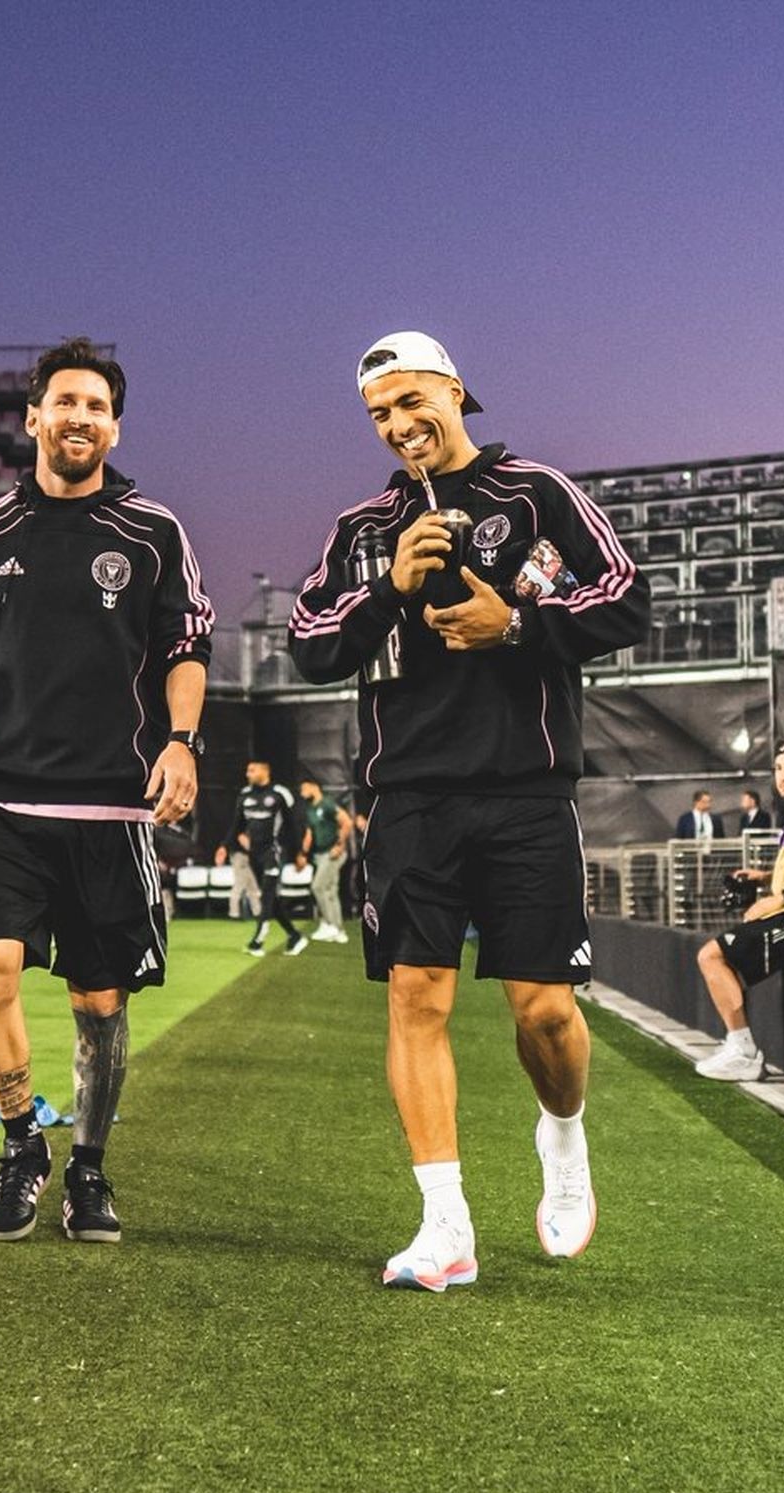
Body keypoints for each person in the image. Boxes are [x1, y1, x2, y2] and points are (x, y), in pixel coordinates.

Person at [288, 330, 649, 1291]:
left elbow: (627, 600)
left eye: (413, 401)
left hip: (528, 793)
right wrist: (390, 586)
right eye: (380, 414)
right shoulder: (362, 527)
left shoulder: (536, 492)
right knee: (417, 998)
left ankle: (563, 1138)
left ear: (455, 390)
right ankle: (445, 1226)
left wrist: (519, 624)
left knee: (544, 1014)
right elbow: (310, 645)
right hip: (408, 797)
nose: (401, 425)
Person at [0, 337, 213, 1246]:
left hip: (112, 811)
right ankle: (25, 1145)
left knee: (100, 1009)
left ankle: (90, 1168)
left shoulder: (154, 533)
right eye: (65, 402)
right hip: (0, 808)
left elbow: (189, 650)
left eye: (99, 406)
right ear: (33, 416)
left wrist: (183, 743)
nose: (82, 418)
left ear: (115, 425)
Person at [695, 734, 784, 1081]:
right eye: (777, 768)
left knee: (712, 955)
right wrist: (764, 877)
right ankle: (737, 1044)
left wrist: (778, 899)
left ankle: (743, 1051)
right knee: (718, 954)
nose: (783, 775)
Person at [214, 760, 308, 957]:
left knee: (265, 896)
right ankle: (295, 936)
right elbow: (237, 825)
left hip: (273, 852)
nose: (247, 774)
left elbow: (294, 825)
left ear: (265, 771)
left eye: (252, 770)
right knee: (271, 901)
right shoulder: (244, 795)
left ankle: (257, 941)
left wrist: (299, 852)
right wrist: (223, 846)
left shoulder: (280, 793)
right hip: (254, 855)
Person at [299, 775, 352, 942]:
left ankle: (329, 925)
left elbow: (347, 822)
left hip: (332, 853)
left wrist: (340, 845)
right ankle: (339, 930)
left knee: (317, 886)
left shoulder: (327, 804)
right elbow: (309, 834)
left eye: (304, 788)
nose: (302, 793)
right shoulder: (310, 809)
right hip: (319, 855)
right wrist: (302, 854)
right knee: (330, 891)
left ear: (314, 786)